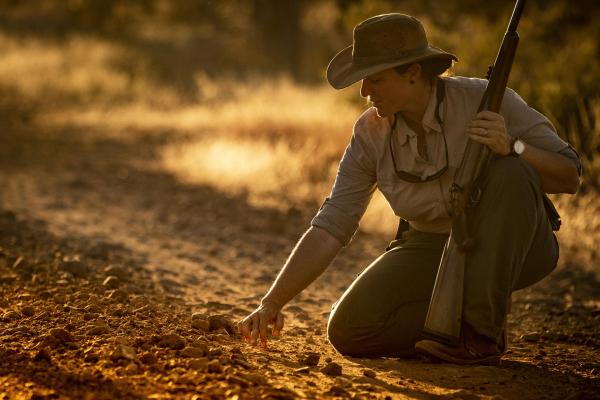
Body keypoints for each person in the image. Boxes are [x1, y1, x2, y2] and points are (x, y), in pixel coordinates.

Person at [238, 13, 581, 364]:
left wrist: (513, 146)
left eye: (375, 79)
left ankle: (481, 337)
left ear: (413, 73)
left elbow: (570, 177)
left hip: (517, 250)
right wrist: (272, 302)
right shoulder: (369, 133)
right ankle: (461, 326)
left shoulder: (488, 100)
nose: (364, 91)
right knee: (349, 330)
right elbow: (333, 222)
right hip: (429, 244)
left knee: (512, 172)